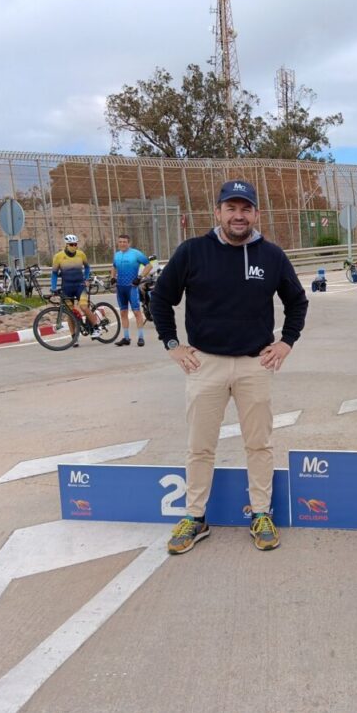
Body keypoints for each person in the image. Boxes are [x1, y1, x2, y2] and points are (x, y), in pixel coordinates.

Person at [151, 180, 308, 554]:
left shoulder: (271, 256)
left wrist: (286, 342)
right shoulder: (192, 252)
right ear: (217, 212)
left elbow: (297, 302)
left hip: (255, 365)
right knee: (200, 446)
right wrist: (172, 345)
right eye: (231, 208)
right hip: (205, 366)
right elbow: (160, 299)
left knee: (259, 444)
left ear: (256, 213)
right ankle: (195, 517)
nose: (238, 216)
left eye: (246, 209)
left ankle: (260, 513)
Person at [50, 234, 100, 343]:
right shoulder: (58, 256)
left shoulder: (81, 254)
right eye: (71, 244)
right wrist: (53, 288)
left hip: (79, 286)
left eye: (75, 244)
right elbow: (54, 273)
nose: (73, 246)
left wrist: (86, 279)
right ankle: (74, 337)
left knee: (84, 307)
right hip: (66, 287)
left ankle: (96, 327)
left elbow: (87, 267)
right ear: (66, 245)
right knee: (70, 313)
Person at [110, 234, 151, 347]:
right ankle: (126, 338)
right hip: (120, 288)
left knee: (136, 312)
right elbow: (113, 266)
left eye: (124, 242)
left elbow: (148, 265)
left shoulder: (136, 253)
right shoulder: (117, 255)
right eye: (120, 242)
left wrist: (139, 277)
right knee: (123, 312)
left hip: (131, 287)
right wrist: (112, 277)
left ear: (129, 243)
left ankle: (141, 338)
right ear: (118, 243)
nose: (122, 244)